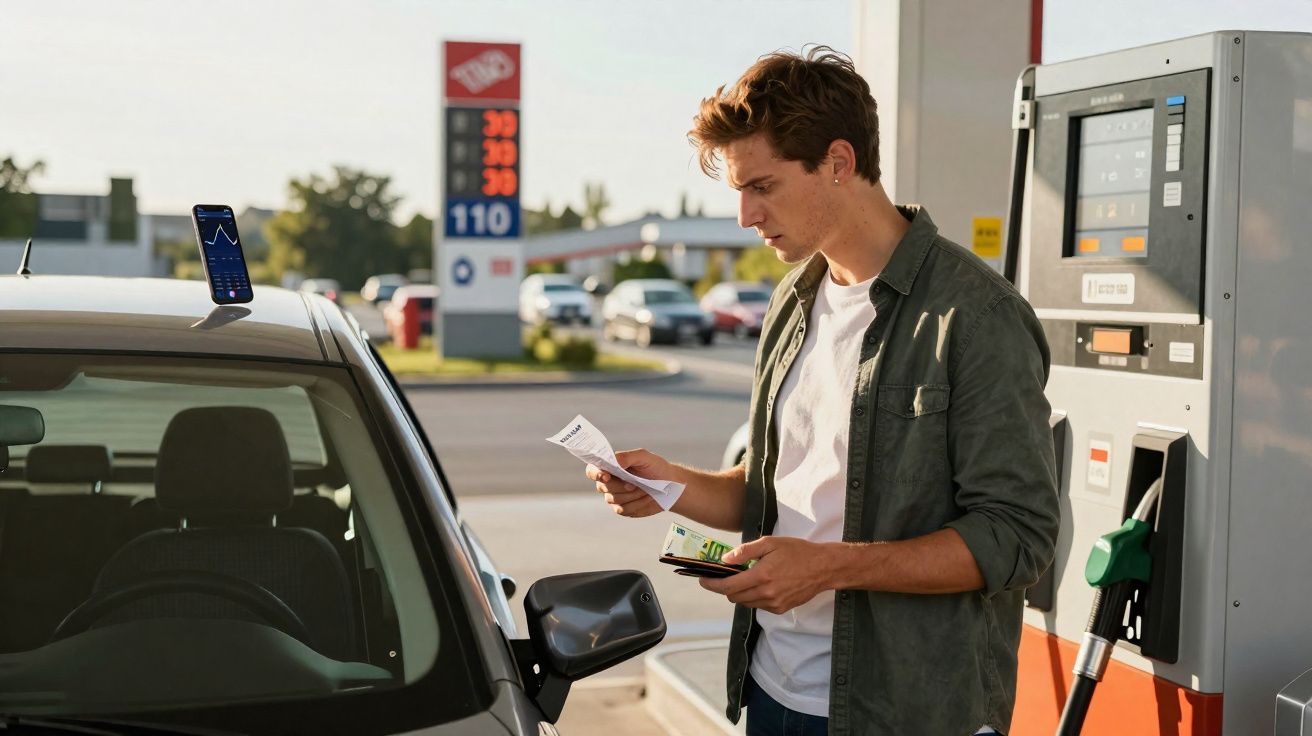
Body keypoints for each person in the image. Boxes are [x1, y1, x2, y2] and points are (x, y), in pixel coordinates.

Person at [586, 46, 1058, 736]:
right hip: (772, 693)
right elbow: (786, 492)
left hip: (908, 714)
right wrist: (671, 485)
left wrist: (829, 568)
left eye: (764, 187)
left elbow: (1017, 537)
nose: (746, 214)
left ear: (838, 162)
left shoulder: (974, 317)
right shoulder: (793, 301)